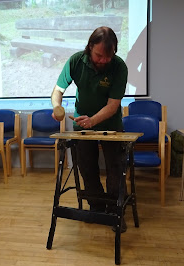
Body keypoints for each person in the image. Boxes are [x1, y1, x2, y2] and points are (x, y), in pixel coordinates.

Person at [51, 26, 128, 232]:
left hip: (111, 126)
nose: (103, 60)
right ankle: (96, 207)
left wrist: (92, 121)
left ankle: (116, 211)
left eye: (108, 56)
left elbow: (113, 105)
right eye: (99, 55)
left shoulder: (119, 67)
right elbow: (57, 90)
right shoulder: (76, 61)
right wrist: (57, 106)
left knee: (115, 169)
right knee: (86, 167)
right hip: (82, 127)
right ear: (90, 46)